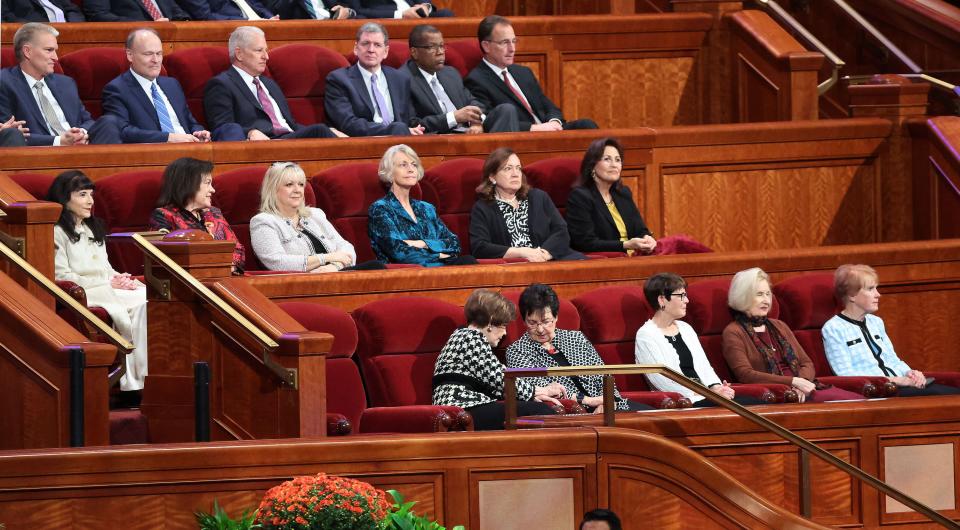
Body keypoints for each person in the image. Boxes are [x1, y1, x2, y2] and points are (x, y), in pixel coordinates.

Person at [47, 170, 148, 392]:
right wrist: (108, 283)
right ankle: (135, 381)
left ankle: (147, 376)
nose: (90, 201)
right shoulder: (55, 232)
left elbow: (106, 268)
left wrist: (119, 278)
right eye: (82, 195)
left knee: (148, 298)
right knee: (141, 304)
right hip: (86, 292)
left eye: (91, 195)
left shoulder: (93, 227)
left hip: (106, 286)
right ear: (64, 198)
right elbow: (61, 276)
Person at [722, 268, 863, 403]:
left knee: (858, 402)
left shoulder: (779, 326)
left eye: (768, 294)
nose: (766, 300)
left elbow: (806, 363)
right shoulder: (734, 332)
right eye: (759, 294)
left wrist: (802, 383)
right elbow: (746, 374)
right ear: (742, 297)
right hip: (778, 394)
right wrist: (793, 382)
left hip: (806, 389)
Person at [507, 283, 653, 412]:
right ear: (524, 321)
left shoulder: (576, 338)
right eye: (532, 323)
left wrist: (608, 401)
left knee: (652, 419)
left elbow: (603, 374)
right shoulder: (518, 351)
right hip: (572, 412)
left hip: (609, 406)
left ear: (556, 317)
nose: (540, 329)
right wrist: (588, 401)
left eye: (546, 322)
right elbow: (545, 389)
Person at [433, 289, 562, 430]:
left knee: (536, 417)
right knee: (541, 412)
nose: (505, 333)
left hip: (466, 407)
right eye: (503, 326)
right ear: (490, 321)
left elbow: (492, 381)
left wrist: (529, 395)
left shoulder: (463, 336)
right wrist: (537, 391)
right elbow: (501, 378)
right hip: (462, 408)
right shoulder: (470, 338)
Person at [823, 264, 960, 397]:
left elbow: (892, 360)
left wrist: (910, 372)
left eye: (876, 288)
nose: (878, 295)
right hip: (880, 391)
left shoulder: (876, 322)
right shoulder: (833, 328)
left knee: (953, 391)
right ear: (852, 295)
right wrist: (894, 380)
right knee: (947, 395)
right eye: (870, 289)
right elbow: (846, 375)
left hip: (903, 384)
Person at [635, 273, 763, 407]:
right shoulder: (646, 335)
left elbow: (705, 367)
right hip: (684, 402)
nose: (687, 300)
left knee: (757, 404)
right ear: (662, 300)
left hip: (706, 396)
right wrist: (707, 394)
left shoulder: (686, 328)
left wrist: (717, 388)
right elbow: (661, 380)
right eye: (681, 296)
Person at [568, 137, 712, 256]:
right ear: (592, 165)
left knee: (682, 244)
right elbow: (584, 242)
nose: (614, 165)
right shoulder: (580, 197)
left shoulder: (623, 193)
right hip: (609, 259)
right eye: (607, 159)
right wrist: (626, 244)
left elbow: (640, 229)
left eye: (618, 160)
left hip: (636, 255)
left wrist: (647, 238)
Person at [102, 29, 244, 145]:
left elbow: (190, 122)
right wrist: (169, 137)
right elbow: (124, 131)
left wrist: (199, 132)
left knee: (232, 131)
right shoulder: (117, 89)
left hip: (190, 148)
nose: (156, 60)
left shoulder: (172, 84)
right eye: (148, 54)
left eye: (159, 54)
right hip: (156, 154)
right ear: (130, 55)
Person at [203, 26, 340, 142]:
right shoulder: (221, 85)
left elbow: (290, 125)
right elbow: (222, 128)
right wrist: (249, 132)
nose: (266, 56)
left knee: (325, 131)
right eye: (259, 50)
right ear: (239, 54)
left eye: (266, 50)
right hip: (264, 143)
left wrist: (330, 132)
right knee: (320, 131)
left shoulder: (269, 84)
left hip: (288, 140)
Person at [465, 15, 597, 132]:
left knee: (587, 125)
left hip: (548, 129)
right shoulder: (476, 80)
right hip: (523, 137)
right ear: (486, 46)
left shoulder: (523, 72)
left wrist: (554, 122)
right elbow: (492, 123)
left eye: (514, 41)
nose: (512, 49)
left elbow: (549, 107)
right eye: (505, 42)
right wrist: (536, 128)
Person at [250, 162, 385, 272]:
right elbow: (276, 262)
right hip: (300, 283)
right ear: (273, 190)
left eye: (301, 184)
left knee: (377, 267)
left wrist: (333, 267)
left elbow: (345, 246)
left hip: (334, 274)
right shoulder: (263, 221)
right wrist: (325, 258)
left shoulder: (315, 214)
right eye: (289, 184)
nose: (297, 190)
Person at [0, 23, 120, 146]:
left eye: (55, 51)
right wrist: (59, 141)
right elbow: (9, 134)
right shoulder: (4, 82)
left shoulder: (66, 83)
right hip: (40, 154)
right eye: (49, 50)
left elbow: (87, 120)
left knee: (109, 122)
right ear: (27, 51)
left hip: (81, 147)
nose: (55, 58)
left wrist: (80, 133)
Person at [470, 147, 584, 262]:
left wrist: (545, 254)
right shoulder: (483, 208)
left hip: (550, 260)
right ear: (492, 177)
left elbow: (561, 231)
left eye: (518, 168)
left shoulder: (539, 197)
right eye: (508, 169)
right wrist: (522, 252)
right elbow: (480, 247)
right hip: (512, 269)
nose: (515, 174)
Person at [368, 144, 474, 267]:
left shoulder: (427, 208)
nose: (411, 169)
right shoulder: (380, 209)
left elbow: (454, 243)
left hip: (441, 269)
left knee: (468, 261)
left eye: (414, 165)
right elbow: (398, 252)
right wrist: (438, 254)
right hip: (405, 273)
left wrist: (422, 243)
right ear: (390, 172)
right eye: (403, 165)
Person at [406, 24, 519, 134]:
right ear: (414, 52)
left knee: (506, 110)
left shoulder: (450, 73)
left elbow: (473, 102)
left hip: (469, 132)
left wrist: (475, 121)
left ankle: (501, 153)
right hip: (442, 139)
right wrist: (454, 117)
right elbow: (412, 124)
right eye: (431, 47)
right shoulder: (404, 79)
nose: (440, 52)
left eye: (441, 46)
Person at [149, 157, 246, 274]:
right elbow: (163, 259)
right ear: (188, 184)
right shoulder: (163, 216)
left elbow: (238, 249)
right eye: (208, 183)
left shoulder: (214, 213)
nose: (213, 190)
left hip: (225, 278)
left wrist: (225, 267)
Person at [324, 23, 423, 137]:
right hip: (364, 143)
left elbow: (408, 119)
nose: (371, 50)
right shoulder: (339, 80)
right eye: (366, 44)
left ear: (385, 51)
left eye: (377, 45)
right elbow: (347, 123)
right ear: (356, 48)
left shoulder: (400, 79)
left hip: (401, 142)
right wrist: (392, 130)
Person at [82, 0, 188, 21]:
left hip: (170, 37)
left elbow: (175, 11)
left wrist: (184, 21)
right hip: (132, 41)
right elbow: (98, 15)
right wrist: (146, 26)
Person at [177, 0, 277, 20]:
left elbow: (254, 3)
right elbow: (205, 16)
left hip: (261, 22)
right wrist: (248, 22)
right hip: (231, 31)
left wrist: (270, 17)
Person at [2, 0, 85, 22]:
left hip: (69, 35)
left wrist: (73, 27)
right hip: (35, 36)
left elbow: (73, 10)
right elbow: (5, 16)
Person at [353, 0, 452, 19]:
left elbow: (424, 2)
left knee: (446, 14)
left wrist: (425, 6)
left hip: (417, 14)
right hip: (388, 18)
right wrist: (400, 14)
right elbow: (357, 10)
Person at [266, 0, 356, 19]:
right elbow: (275, 10)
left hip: (335, 26)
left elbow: (349, 7)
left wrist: (347, 11)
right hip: (305, 33)